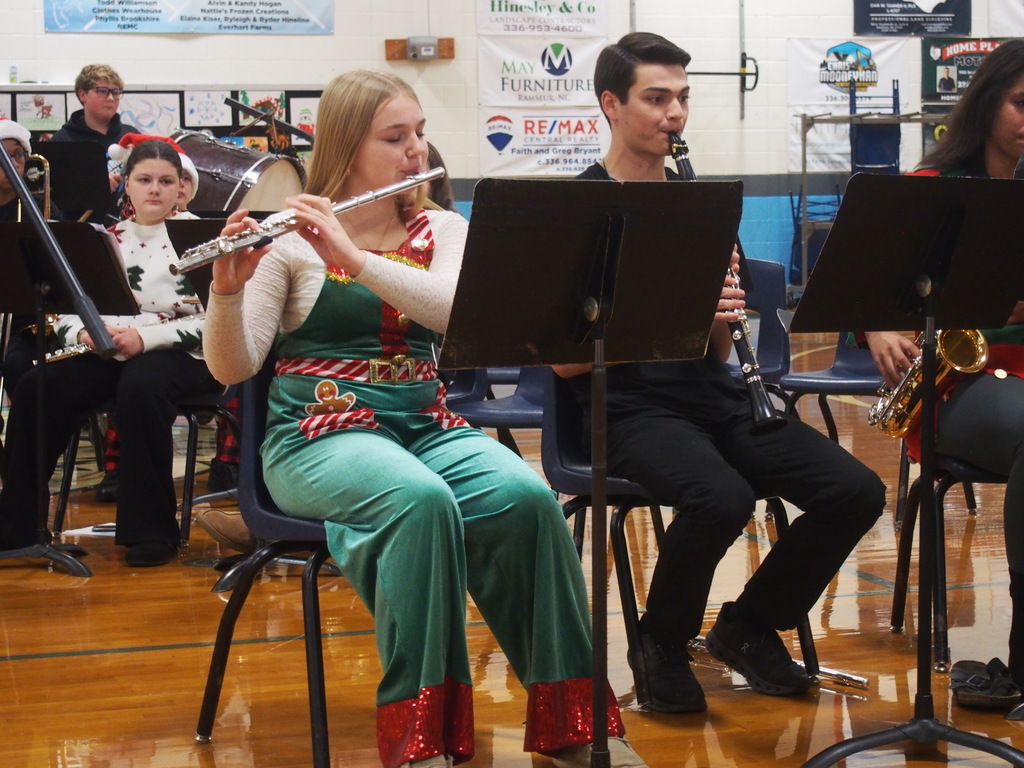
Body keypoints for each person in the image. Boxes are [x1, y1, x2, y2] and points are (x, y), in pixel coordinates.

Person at [203, 69, 647, 768]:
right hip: (316, 436)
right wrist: (227, 295)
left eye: (420, 132)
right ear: (347, 145)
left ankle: (574, 722)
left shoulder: (442, 228)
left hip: (423, 423)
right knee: (419, 501)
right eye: (395, 137)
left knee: (528, 498)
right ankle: (421, 739)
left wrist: (355, 259)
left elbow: (455, 312)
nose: (417, 150)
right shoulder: (288, 241)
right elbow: (232, 367)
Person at [553, 32, 886, 714]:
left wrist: (714, 312)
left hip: (712, 397)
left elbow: (716, 352)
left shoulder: (700, 203)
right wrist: (672, 311)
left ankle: (749, 625)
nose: (674, 114)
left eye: (681, 98)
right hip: (624, 408)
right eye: (656, 99)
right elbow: (562, 359)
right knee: (721, 498)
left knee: (855, 490)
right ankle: (661, 642)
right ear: (611, 104)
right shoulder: (577, 209)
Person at [864, 38, 1024, 702]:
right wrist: (878, 326)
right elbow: (862, 279)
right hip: (958, 385)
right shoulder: (930, 190)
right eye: (1021, 103)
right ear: (986, 105)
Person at [0, 137, 221, 567]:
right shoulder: (104, 238)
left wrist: (144, 339)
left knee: (142, 384)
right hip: (111, 349)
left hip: (188, 355)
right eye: (144, 179)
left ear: (181, 187)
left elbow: (220, 320)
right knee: (37, 385)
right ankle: (17, 526)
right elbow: (64, 308)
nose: (154, 189)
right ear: (127, 184)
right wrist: (85, 332)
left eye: (165, 181)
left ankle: (151, 532)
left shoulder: (201, 237)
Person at [0, 118, 64, 397]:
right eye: (3, 155)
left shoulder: (40, 206)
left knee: (19, 365)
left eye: (19, 155)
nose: (13, 163)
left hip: (26, 319)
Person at [49, 64, 138, 223]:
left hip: (128, 227)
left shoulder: (132, 136)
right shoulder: (63, 140)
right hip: (80, 229)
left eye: (116, 92)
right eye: (102, 91)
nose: (110, 98)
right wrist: (96, 188)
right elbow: (56, 196)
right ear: (82, 94)